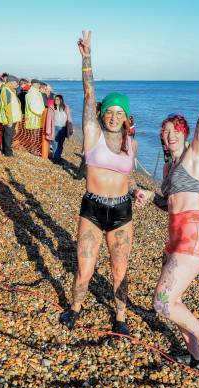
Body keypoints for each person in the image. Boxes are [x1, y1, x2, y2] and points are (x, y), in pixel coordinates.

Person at [138, 50, 199, 372]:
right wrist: (151, 197)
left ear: (185, 133)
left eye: (175, 128)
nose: (169, 133)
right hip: (174, 238)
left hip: (194, 237)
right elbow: (169, 204)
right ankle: (195, 355)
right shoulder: (168, 170)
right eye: (165, 130)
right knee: (172, 301)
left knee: (160, 302)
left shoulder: (194, 157)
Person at [59, 31, 141, 336]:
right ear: (103, 113)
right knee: (86, 267)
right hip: (93, 208)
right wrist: (87, 57)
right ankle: (75, 308)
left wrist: (135, 190)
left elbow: (127, 176)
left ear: (126, 117)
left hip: (122, 211)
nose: (114, 116)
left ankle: (120, 316)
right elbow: (89, 93)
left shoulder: (131, 144)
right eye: (110, 110)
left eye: (120, 112)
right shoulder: (92, 134)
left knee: (119, 270)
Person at [0, 75, 22, 157]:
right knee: (8, 135)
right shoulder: (7, 90)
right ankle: (8, 153)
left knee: (7, 134)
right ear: (11, 82)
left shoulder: (9, 90)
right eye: (16, 83)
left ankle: (5, 150)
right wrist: (10, 120)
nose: (17, 85)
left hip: (11, 117)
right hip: (9, 118)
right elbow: (7, 106)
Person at [48, 94, 73, 163]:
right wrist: (48, 130)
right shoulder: (52, 108)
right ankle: (56, 159)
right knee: (55, 143)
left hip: (63, 128)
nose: (56, 101)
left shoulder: (66, 107)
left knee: (61, 144)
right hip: (55, 128)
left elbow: (69, 119)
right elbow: (48, 119)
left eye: (58, 99)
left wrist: (70, 129)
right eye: (55, 99)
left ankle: (57, 156)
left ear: (61, 100)